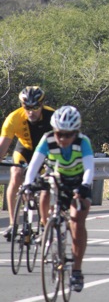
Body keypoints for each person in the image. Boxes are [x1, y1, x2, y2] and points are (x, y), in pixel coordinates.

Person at [22, 106, 93, 293]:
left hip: (78, 182)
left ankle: (76, 271)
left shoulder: (83, 142)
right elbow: (34, 164)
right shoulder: (48, 139)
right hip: (57, 178)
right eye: (59, 134)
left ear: (75, 132)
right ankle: (47, 228)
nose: (62, 139)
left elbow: (89, 168)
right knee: (43, 191)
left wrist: (85, 186)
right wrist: (28, 183)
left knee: (78, 220)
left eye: (67, 135)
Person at [0, 86, 54, 241]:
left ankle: (45, 223)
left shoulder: (52, 116)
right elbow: (2, 146)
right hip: (25, 149)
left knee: (47, 185)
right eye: (27, 107)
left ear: (42, 104)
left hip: (46, 152)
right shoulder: (14, 118)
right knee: (16, 175)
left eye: (35, 107)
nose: (31, 111)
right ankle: (13, 223)